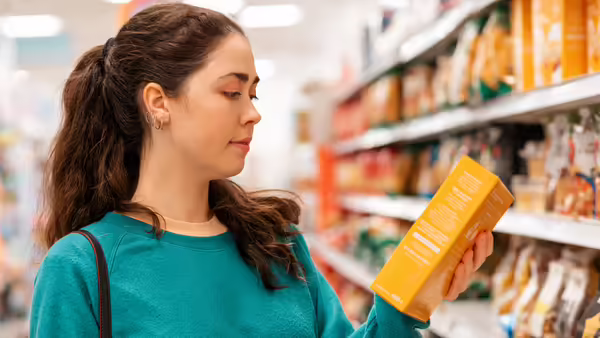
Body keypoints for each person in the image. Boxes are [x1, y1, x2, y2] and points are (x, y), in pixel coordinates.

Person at [30, 4, 494, 337]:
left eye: (253, 94)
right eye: (232, 92)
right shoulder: (81, 268)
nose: (253, 113)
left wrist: (405, 304)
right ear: (158, 103)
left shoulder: (275, 242)